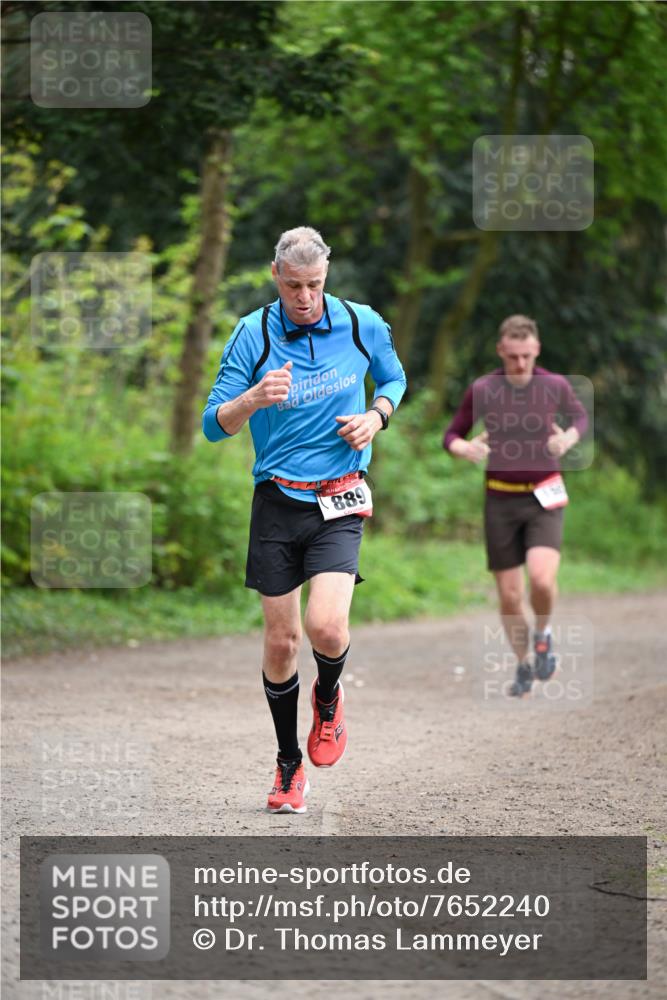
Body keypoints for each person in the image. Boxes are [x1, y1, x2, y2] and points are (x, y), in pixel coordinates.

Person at [203, 227, 406, 812]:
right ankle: (288, 766)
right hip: (277, 500)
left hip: (340, 496)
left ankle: (329, 697)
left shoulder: (361, 321)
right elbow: (214, 423)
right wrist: (252, 399)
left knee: (326, 628)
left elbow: (394, 378)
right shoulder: (253, 334)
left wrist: (377, 416)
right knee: (281, 641)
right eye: (293, 285)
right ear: (276, 277)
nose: (304, 297)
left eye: (314, 285)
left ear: (327, 276)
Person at [443, 314, 588, 697]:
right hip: (501, 499)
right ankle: (524, 664)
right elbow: (452, 434)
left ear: (536, 349)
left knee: (540, 579)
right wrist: (466, 447)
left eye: (526, 355)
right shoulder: (485, 389)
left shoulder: (554, 386)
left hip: (545, 495)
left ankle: (543, 633)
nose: (520, 364)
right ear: (500, 351)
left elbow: (579, 418)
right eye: (513, 357)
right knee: (509, 595)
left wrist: (568, 440)